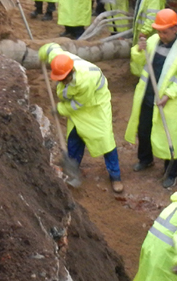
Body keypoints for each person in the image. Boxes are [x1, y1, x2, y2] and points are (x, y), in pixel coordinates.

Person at [125, 9, 177, 189]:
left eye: (165, 31)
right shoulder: (154, 41)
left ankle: (171, 171)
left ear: (175, 28)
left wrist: (168, 95)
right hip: (147, 95)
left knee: (169, 134)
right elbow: (140, 64)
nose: (161, 35)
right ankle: (145, 159)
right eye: (159, 31)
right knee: (144, 128)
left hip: (168, 101)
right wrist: (139, 50)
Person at [49, 53, 123, 193]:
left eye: (64, 79)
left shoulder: (85, 81)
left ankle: (115, 176)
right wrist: (44, 52)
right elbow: (52, 49)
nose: (62, 82)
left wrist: (60, 109)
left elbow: (79, 103)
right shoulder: (62, 61)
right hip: (78, 110)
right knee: (74, 138)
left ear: (71, 72)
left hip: (95, 107)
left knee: (105, 141)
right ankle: (72, 168)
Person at [122, 0, 166, 75]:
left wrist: (144, 32)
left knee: (144, 57)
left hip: (147, 34)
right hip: (143, 32)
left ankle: (143, 78)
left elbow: (152, 17)